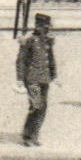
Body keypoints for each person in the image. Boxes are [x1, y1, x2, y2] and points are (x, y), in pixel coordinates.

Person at [16, 13, 57, 146]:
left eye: (47, 28)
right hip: (32, 78)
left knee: (43, 108)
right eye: (44, 27)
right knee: (36, 106)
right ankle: (28, 135)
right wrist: (20, 79)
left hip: (45, 78)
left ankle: (34, 135)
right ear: (37, 26)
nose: (47, 30)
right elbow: (21, 60)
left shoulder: (47, 41)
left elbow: (51, 59)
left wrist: (54, 75)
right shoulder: (29, 40)